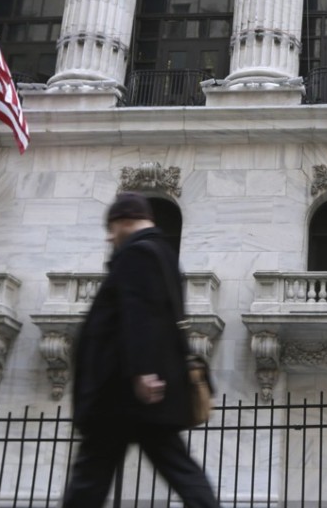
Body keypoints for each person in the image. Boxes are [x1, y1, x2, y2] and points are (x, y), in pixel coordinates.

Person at [61, 192, 219, 508]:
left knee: (89, 479)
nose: (109, 237)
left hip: (121, 392)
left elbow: (139, 313)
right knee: (175, 467)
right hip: (135, 395)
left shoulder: (139, 254)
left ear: (124, 221)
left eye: (112, 227)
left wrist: (141, 370)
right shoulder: (162, 253)